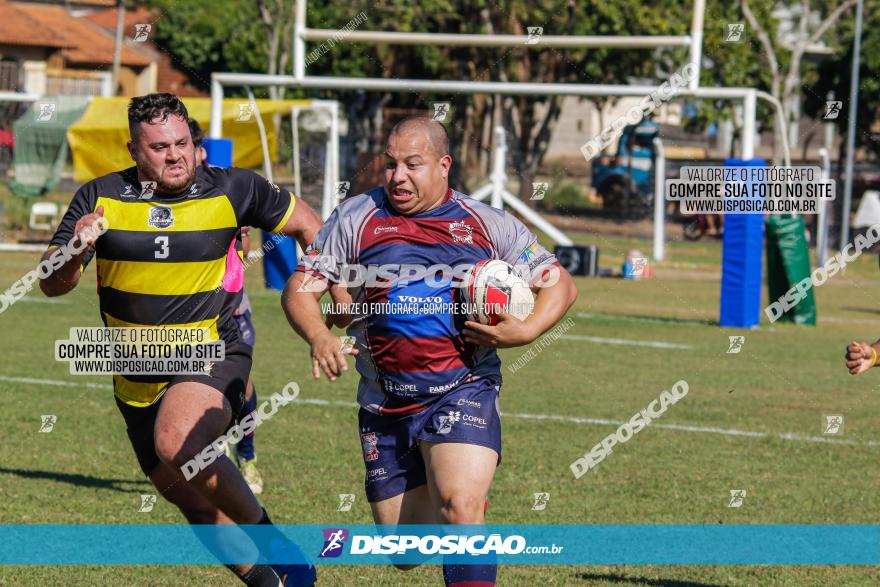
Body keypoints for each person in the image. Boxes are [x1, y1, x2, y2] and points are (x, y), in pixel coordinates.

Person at [282, 116, 578, 586]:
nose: (398, 176)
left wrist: (527, 332)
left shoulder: (487, 224)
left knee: (460, 507)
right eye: (391, 164)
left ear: (444, 166)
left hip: (462, 387)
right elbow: (300, 288)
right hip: (385, 401)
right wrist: (319, 335)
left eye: (412, 165)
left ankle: (462, 495)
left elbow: (558, 281)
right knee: (405, 554)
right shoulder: (356, 217)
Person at [40, 93, 320, 586]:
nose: (175, 155)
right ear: (133, 150)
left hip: (214, 348)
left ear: (195, 142)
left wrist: (326, 292)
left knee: (178, 441)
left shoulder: (234, 187)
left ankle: (278, 545)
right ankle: (274, 582)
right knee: (188, 498)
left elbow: (308, 226)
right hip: (133, 375)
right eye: (159, 147)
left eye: (182, 142)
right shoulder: (98, 197)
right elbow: (51, 283)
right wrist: (75, 248)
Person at [190, 118, 263, 494]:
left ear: (200, 151)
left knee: (242, 385)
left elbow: (246, 250)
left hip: (233, 307)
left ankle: (246, 455)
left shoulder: (227, 188)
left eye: (189, 147)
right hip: (183, 316)